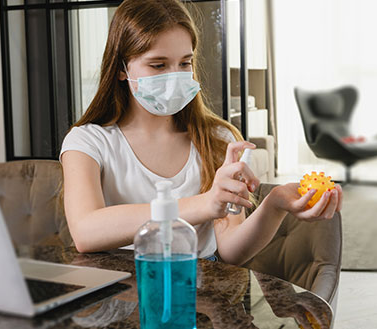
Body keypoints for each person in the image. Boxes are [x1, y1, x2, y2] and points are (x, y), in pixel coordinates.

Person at [59, 0, 342, 266]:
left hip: (200, 290)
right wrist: (206, 204)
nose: (176, 76)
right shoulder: (87, 142)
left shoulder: (219, 140)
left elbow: (231, 251)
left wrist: (275, 204)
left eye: (185, 63)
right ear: (121, 68)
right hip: (118, 292)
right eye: (158, 65)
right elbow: (86, 232)